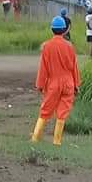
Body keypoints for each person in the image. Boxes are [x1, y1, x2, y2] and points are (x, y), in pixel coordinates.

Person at [30, 15, 81, 146]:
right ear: (64, 30)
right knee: (62, 112)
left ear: (52, 29)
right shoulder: (69, 46)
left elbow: (44, 68)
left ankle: (35, 138)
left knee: (45, 110)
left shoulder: (47, 46)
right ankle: (57, 141)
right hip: (68, 83)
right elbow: (74, 67)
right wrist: (76, 84)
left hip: (53, 83)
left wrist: (40, 85)